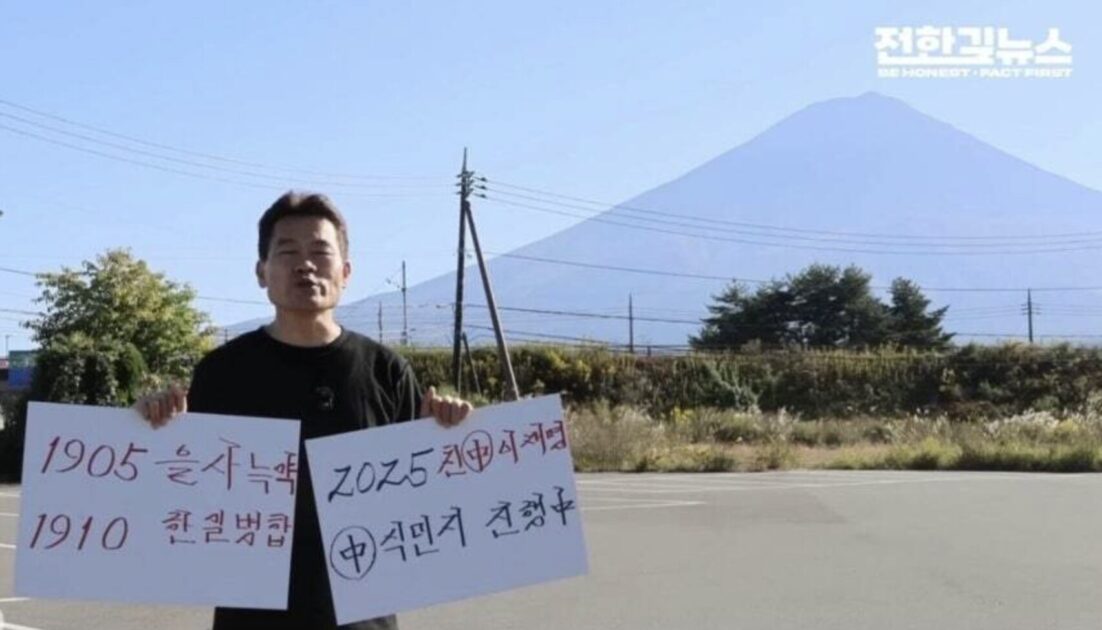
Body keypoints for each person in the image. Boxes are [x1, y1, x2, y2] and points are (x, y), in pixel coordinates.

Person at [136, 191, 472, 630]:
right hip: (250, 620)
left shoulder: (386, 371)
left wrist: (448, 431)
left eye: (320, 251)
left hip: (362, 620)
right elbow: (181, 493)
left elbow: (427, 503)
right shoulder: (221, 373)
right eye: (288, 252)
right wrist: (147, 427)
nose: (306, 265)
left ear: (346, 271)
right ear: (262, 272)